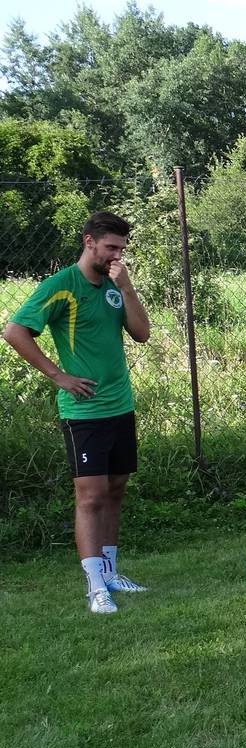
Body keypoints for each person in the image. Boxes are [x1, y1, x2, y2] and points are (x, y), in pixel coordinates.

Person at [3, 211, 151, 613]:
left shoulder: (116, 285)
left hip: (121, 405)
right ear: (89, 242)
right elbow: (14, 331)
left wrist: (127, 287)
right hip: (84, 412)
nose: (117, 255)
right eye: (110, 248)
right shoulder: (61, 285)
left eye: (121, 249)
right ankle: (94, 585)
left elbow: (142, 334)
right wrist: (58, 375)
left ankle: (111, 572)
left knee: (115, 489)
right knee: (91, 497)